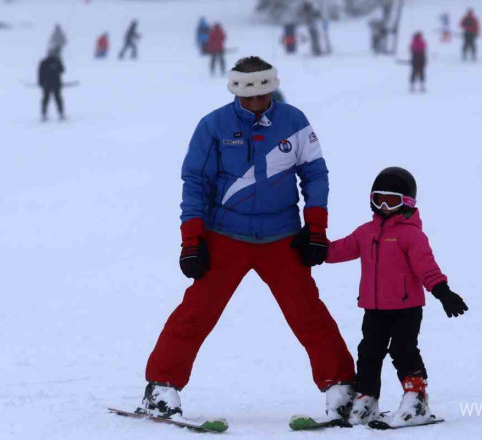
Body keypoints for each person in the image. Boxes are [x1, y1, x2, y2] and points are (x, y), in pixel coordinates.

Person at [141, 56, 356, 421]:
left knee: (308, 313)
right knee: (197, 312)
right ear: (236, 91)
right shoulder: (213, 126)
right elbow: (195, 184)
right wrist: (191, 241)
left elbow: (315, 175)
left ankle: (342, 388)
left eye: (263, 95)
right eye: (249, 97)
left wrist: (315, 228)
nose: (256, 103)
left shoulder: (294, 121)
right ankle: (161, 388)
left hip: (281, 237)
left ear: (272, 88)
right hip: (226, 235)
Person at [325, 167, 468, 427]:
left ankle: (417, 397)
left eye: (391, 201)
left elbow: (427, 267)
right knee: (368, 352)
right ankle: (367, 398)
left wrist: (443, 292)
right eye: (378, 199)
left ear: (407, 203)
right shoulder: (365, 232)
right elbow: (338, 250)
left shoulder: (411, 235)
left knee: (403, 350)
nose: (384, 206)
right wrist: (314, 248)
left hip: (406, 308)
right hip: (374, 308)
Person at [38, 49, 65, 121]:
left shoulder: (57, 61)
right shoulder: (44, 62)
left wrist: (57, 67)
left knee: (58, 99)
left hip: (56, 83)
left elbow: (62, 70)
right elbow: (40, 73)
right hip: (47, 84)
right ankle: (44, 114)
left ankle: (61, 113)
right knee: (46, 99)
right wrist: (40, 83)